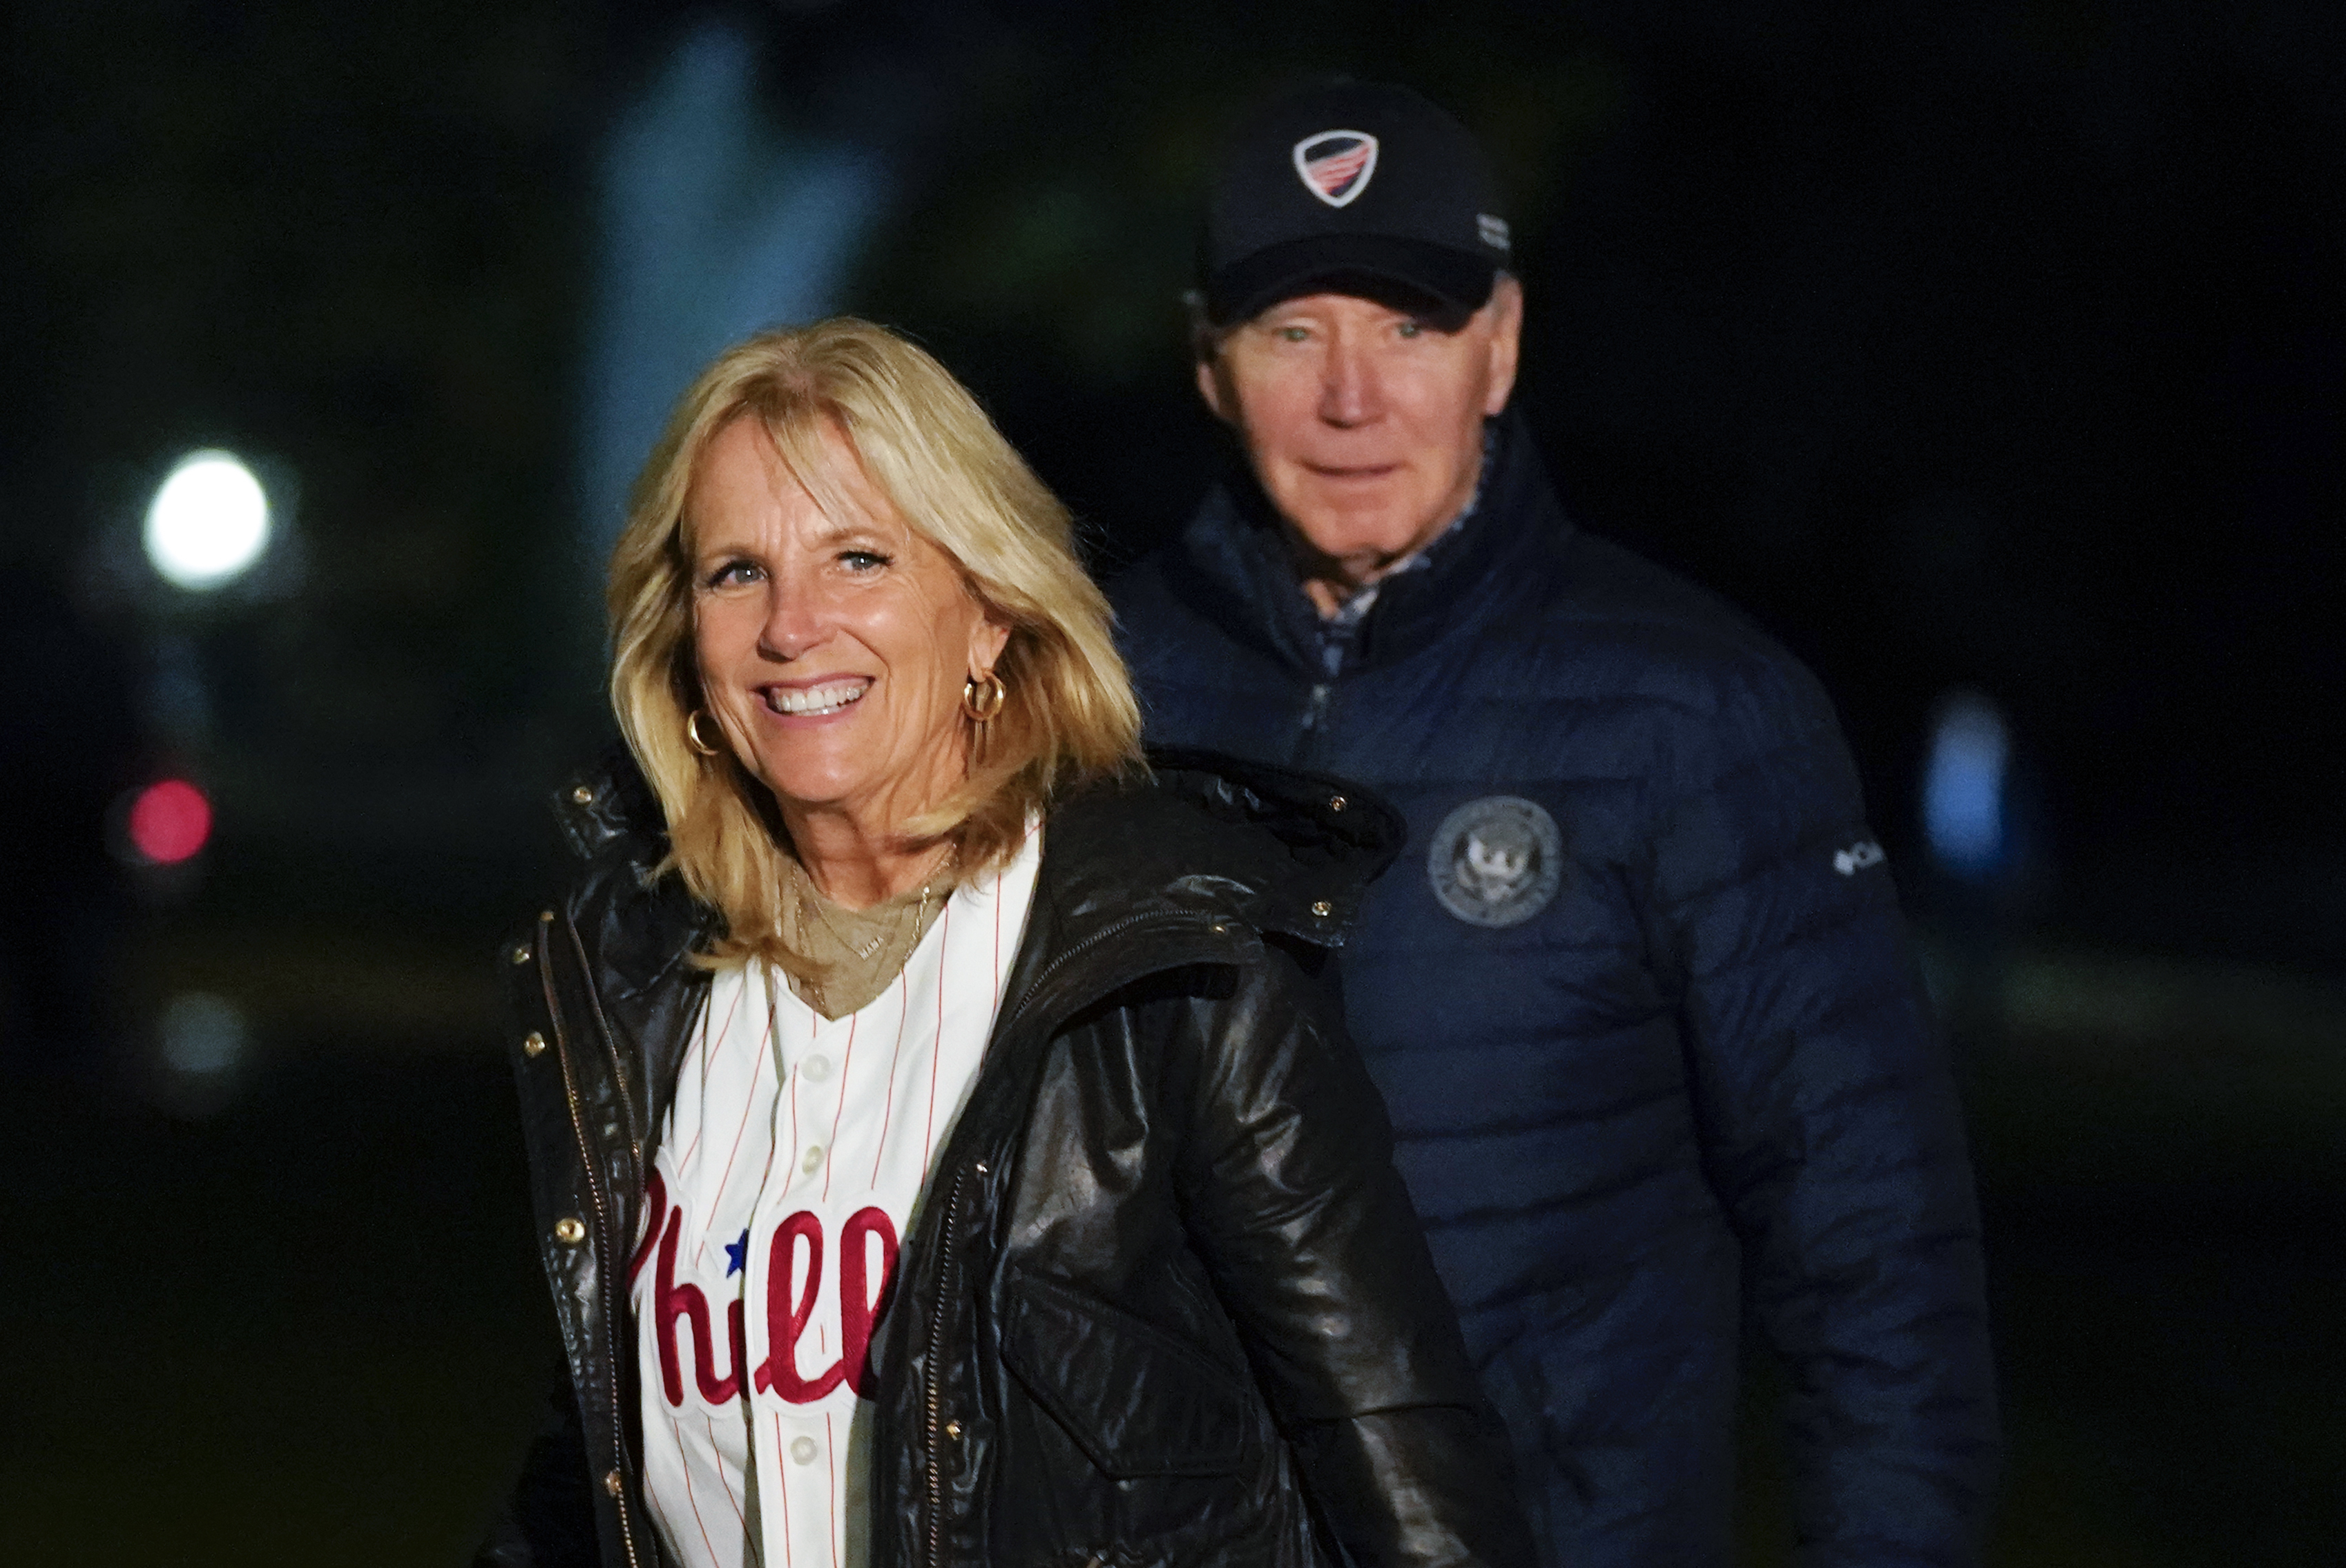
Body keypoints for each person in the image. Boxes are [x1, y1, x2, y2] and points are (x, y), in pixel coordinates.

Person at [475, 318, 1535, 1568]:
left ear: (987, 613)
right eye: (736, 573)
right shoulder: (631, 982)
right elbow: (593, 1462)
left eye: (859, 558)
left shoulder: (1177, 961)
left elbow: (1391, 1445)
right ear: (684, 638)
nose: (791, 626)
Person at [1110, 81, 1999, 1565]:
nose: (1351, 395)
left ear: (1501, 346)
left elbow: (1871, 1245)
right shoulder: (1087, 694)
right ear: (1209, 363)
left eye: (1409, 326)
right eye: (1290, 332)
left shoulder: (1696, 713)